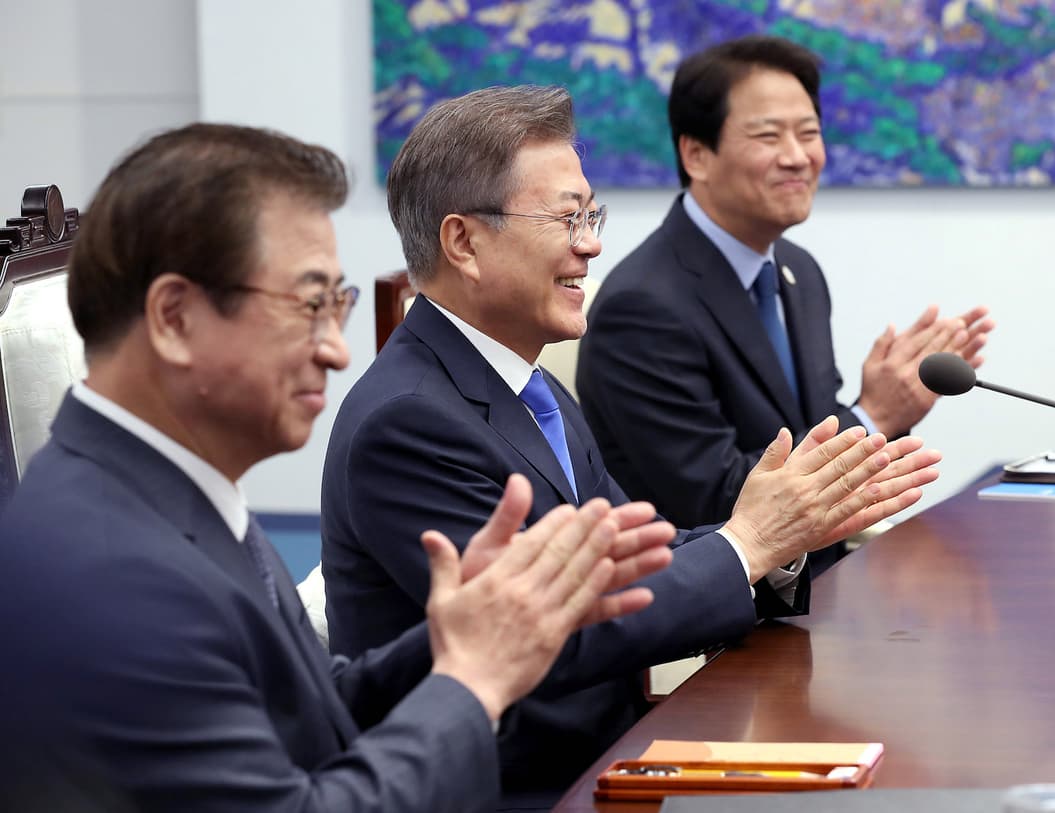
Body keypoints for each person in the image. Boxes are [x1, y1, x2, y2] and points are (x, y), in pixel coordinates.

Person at [0, 123, 673, 812]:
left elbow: (308, 712)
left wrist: (462, 635)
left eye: (338, 304)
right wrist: (472, 679)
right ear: (174, 318)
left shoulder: (165, 492)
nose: (337, 350)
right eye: (309, 304)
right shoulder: (112, 565)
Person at [321, 84, 942, 807]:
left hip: (606, 757)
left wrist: (780, 540)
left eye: (591, 215)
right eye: (566, 218)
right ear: (464, 241)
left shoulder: (530, 382)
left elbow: (630, 558)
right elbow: (550, 636)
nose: (592, 243)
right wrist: (746, 544)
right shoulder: (408, 422)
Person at [577, 35, 994, 567]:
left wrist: (879, 416)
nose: (798, 157)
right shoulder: (641, 307)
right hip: (720, 612)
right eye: (769, 136)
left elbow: (811, 427)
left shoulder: (797, 271)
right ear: (696, 154)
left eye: (810, 133)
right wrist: (873, 415)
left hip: (822, 579)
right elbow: (720, 500)